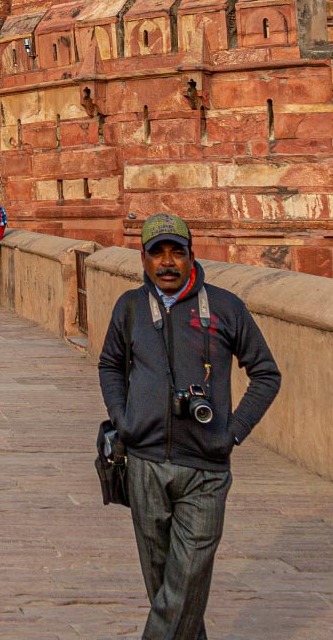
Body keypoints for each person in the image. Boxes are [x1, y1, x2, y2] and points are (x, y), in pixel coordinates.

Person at [98, 213, 282, 640]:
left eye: (176, 253)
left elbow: (266, 373)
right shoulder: (129, 307)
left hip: (205, 468)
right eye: (157, 253)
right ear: (142, 258)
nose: (167, 263)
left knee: (183, 586)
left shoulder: (224, 307)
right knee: (170, 588)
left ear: (191, 256)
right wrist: (124, 419)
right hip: (144, 464)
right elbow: (110, 364)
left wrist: (232, 432)